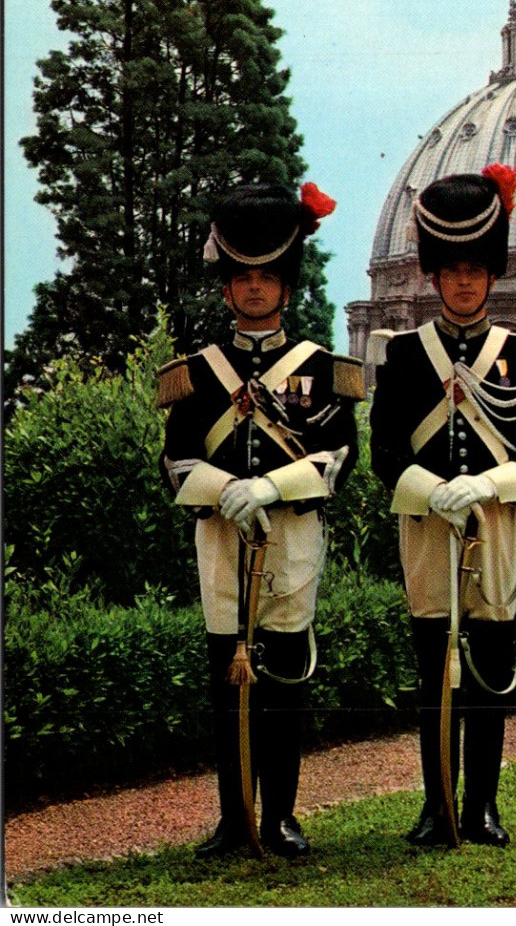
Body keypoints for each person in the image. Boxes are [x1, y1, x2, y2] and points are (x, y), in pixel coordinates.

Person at [157, 182, 363, 859]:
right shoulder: (196, 373)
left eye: (266, 277)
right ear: (225, 289)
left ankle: (279, 817)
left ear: (285, 287)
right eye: (241, 277)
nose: (253, 289)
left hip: (290, 542)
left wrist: (269, 486)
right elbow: (176, 461)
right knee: (226, 683)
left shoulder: (321, 371)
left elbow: (337, 458)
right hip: (220, 540)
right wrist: (227, 490)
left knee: (283, 685)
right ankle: (232, 819)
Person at [369, 165, 516, 848]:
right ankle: (434, 807)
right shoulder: (400, 357)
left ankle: (481, 806)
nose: (462, 281)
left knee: (486, 671)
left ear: (491, 275)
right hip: (426, 530)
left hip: (498, 525)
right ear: (433, 275)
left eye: (475, 269)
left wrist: (484, 485)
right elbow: (384, 455)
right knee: (433, 674)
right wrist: (432, 490)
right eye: (450, 269)